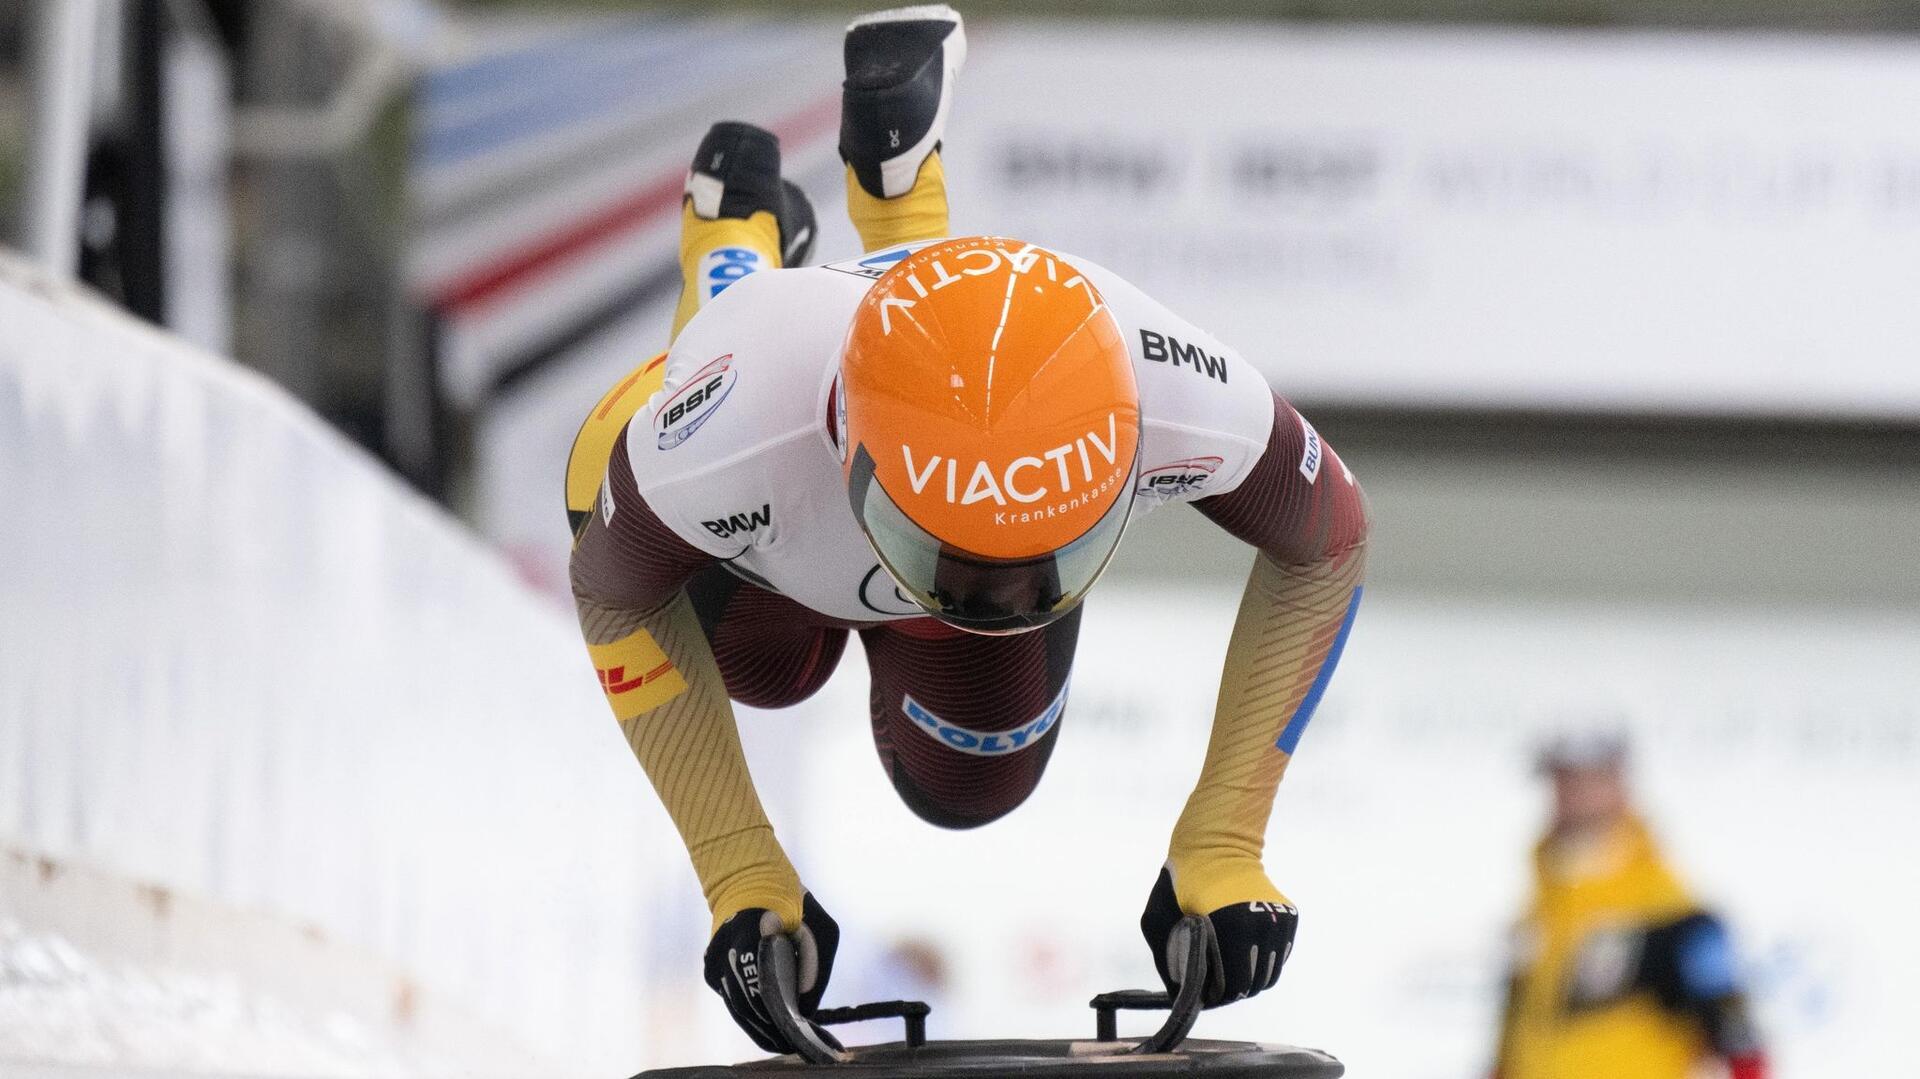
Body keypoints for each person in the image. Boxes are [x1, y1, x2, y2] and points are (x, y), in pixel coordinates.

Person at [563, 5, 1370, 1051]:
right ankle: (730, 253)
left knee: (971, 784)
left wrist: (1224, 840)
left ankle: (903, 208)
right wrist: (738, 871)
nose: (1000, 605)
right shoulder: (725, 438)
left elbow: (1330, 540)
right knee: (764, 664)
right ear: (852, 457)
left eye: (1041, 567)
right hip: (740, 390)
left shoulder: (1172, 382)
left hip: (808, 463)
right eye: (958, 565)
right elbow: (613, 586)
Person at [1492, 730, 1770, 1079]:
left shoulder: (1676, 920)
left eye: (1587, 783)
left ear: (1620, 786)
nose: (1571, 799)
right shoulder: (1539, 917)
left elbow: (1745, 1052)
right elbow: (1509, 1050)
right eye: (1562, 783)